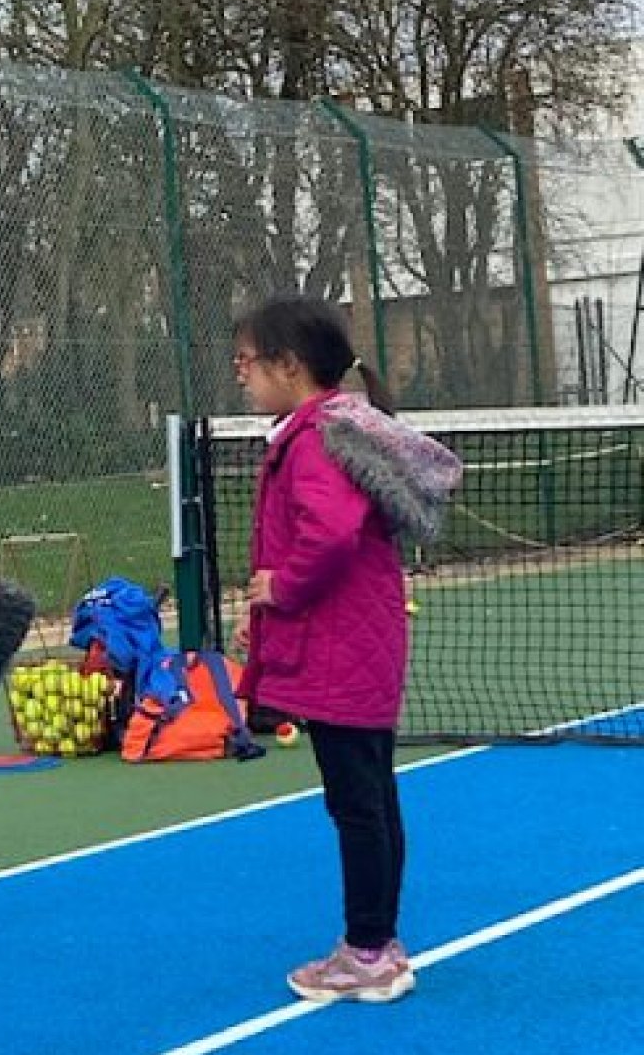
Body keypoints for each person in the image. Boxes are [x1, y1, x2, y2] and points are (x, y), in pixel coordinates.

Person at [232, 294, 427, 1005]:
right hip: (353, 648)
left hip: (343, 654)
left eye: (247, 363)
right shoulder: (331, 430)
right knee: (371, 797)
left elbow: (330, 536)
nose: (241, 377)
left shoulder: (316, 438)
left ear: (289, 366)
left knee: (357, 803)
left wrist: (277, 589)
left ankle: (368, 950)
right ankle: (380, 941)